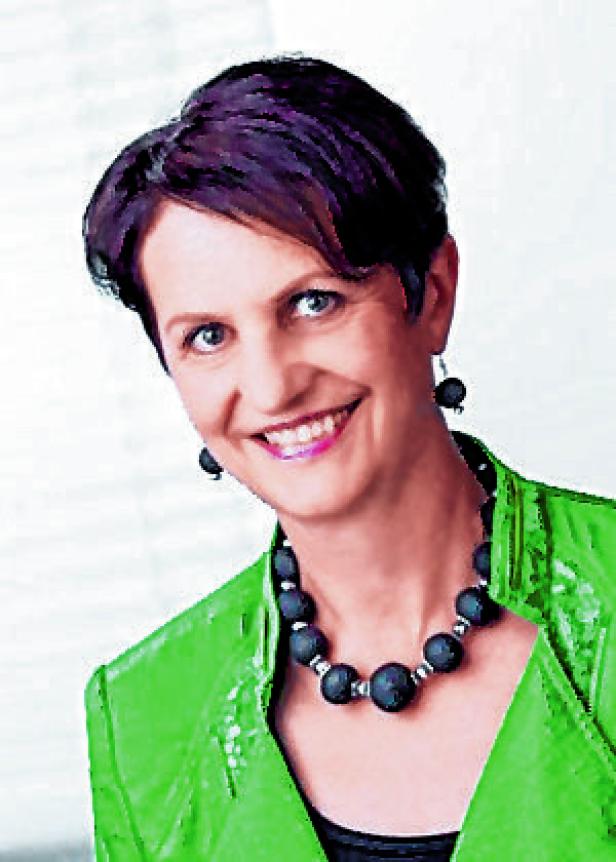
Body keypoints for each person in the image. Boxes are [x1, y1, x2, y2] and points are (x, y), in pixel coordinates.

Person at [82, 56, 616, 861]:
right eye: (209, 336)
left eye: (313, 302)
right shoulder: (141, 717)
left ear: (431, 294)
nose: (272, 387)